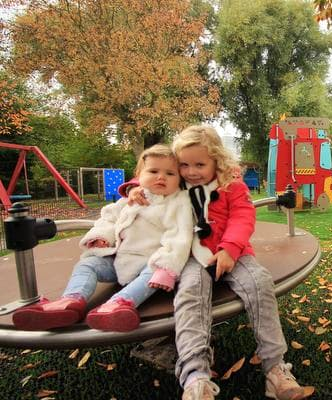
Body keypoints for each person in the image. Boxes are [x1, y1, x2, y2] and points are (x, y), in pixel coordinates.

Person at [124, 125, 310, 400]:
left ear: (217, 162)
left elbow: (242, 216)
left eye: (200, 164)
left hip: (233, 252)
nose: (191, 171)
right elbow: (152, 178)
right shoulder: (178, 184)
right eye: (184, 164)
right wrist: (133, 189)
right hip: (192, 255)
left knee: (259, 283)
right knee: (189, 295)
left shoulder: (231, 186)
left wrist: (230, 249)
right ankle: (195, 377)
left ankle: (275, 368)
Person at [12, 144, 193, 332]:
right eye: (153, 171)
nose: (161, 177)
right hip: (118, 261)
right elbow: (107, 219)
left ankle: (120, 303)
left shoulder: (178, 204)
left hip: (147, 262)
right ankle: (71, 300)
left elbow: (179, 237)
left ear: (179, 179)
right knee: (87, 264)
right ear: (139, 175)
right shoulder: (127, 200)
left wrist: (166, 267)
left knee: (155, 269)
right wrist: (101, 237)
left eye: (170, 174)